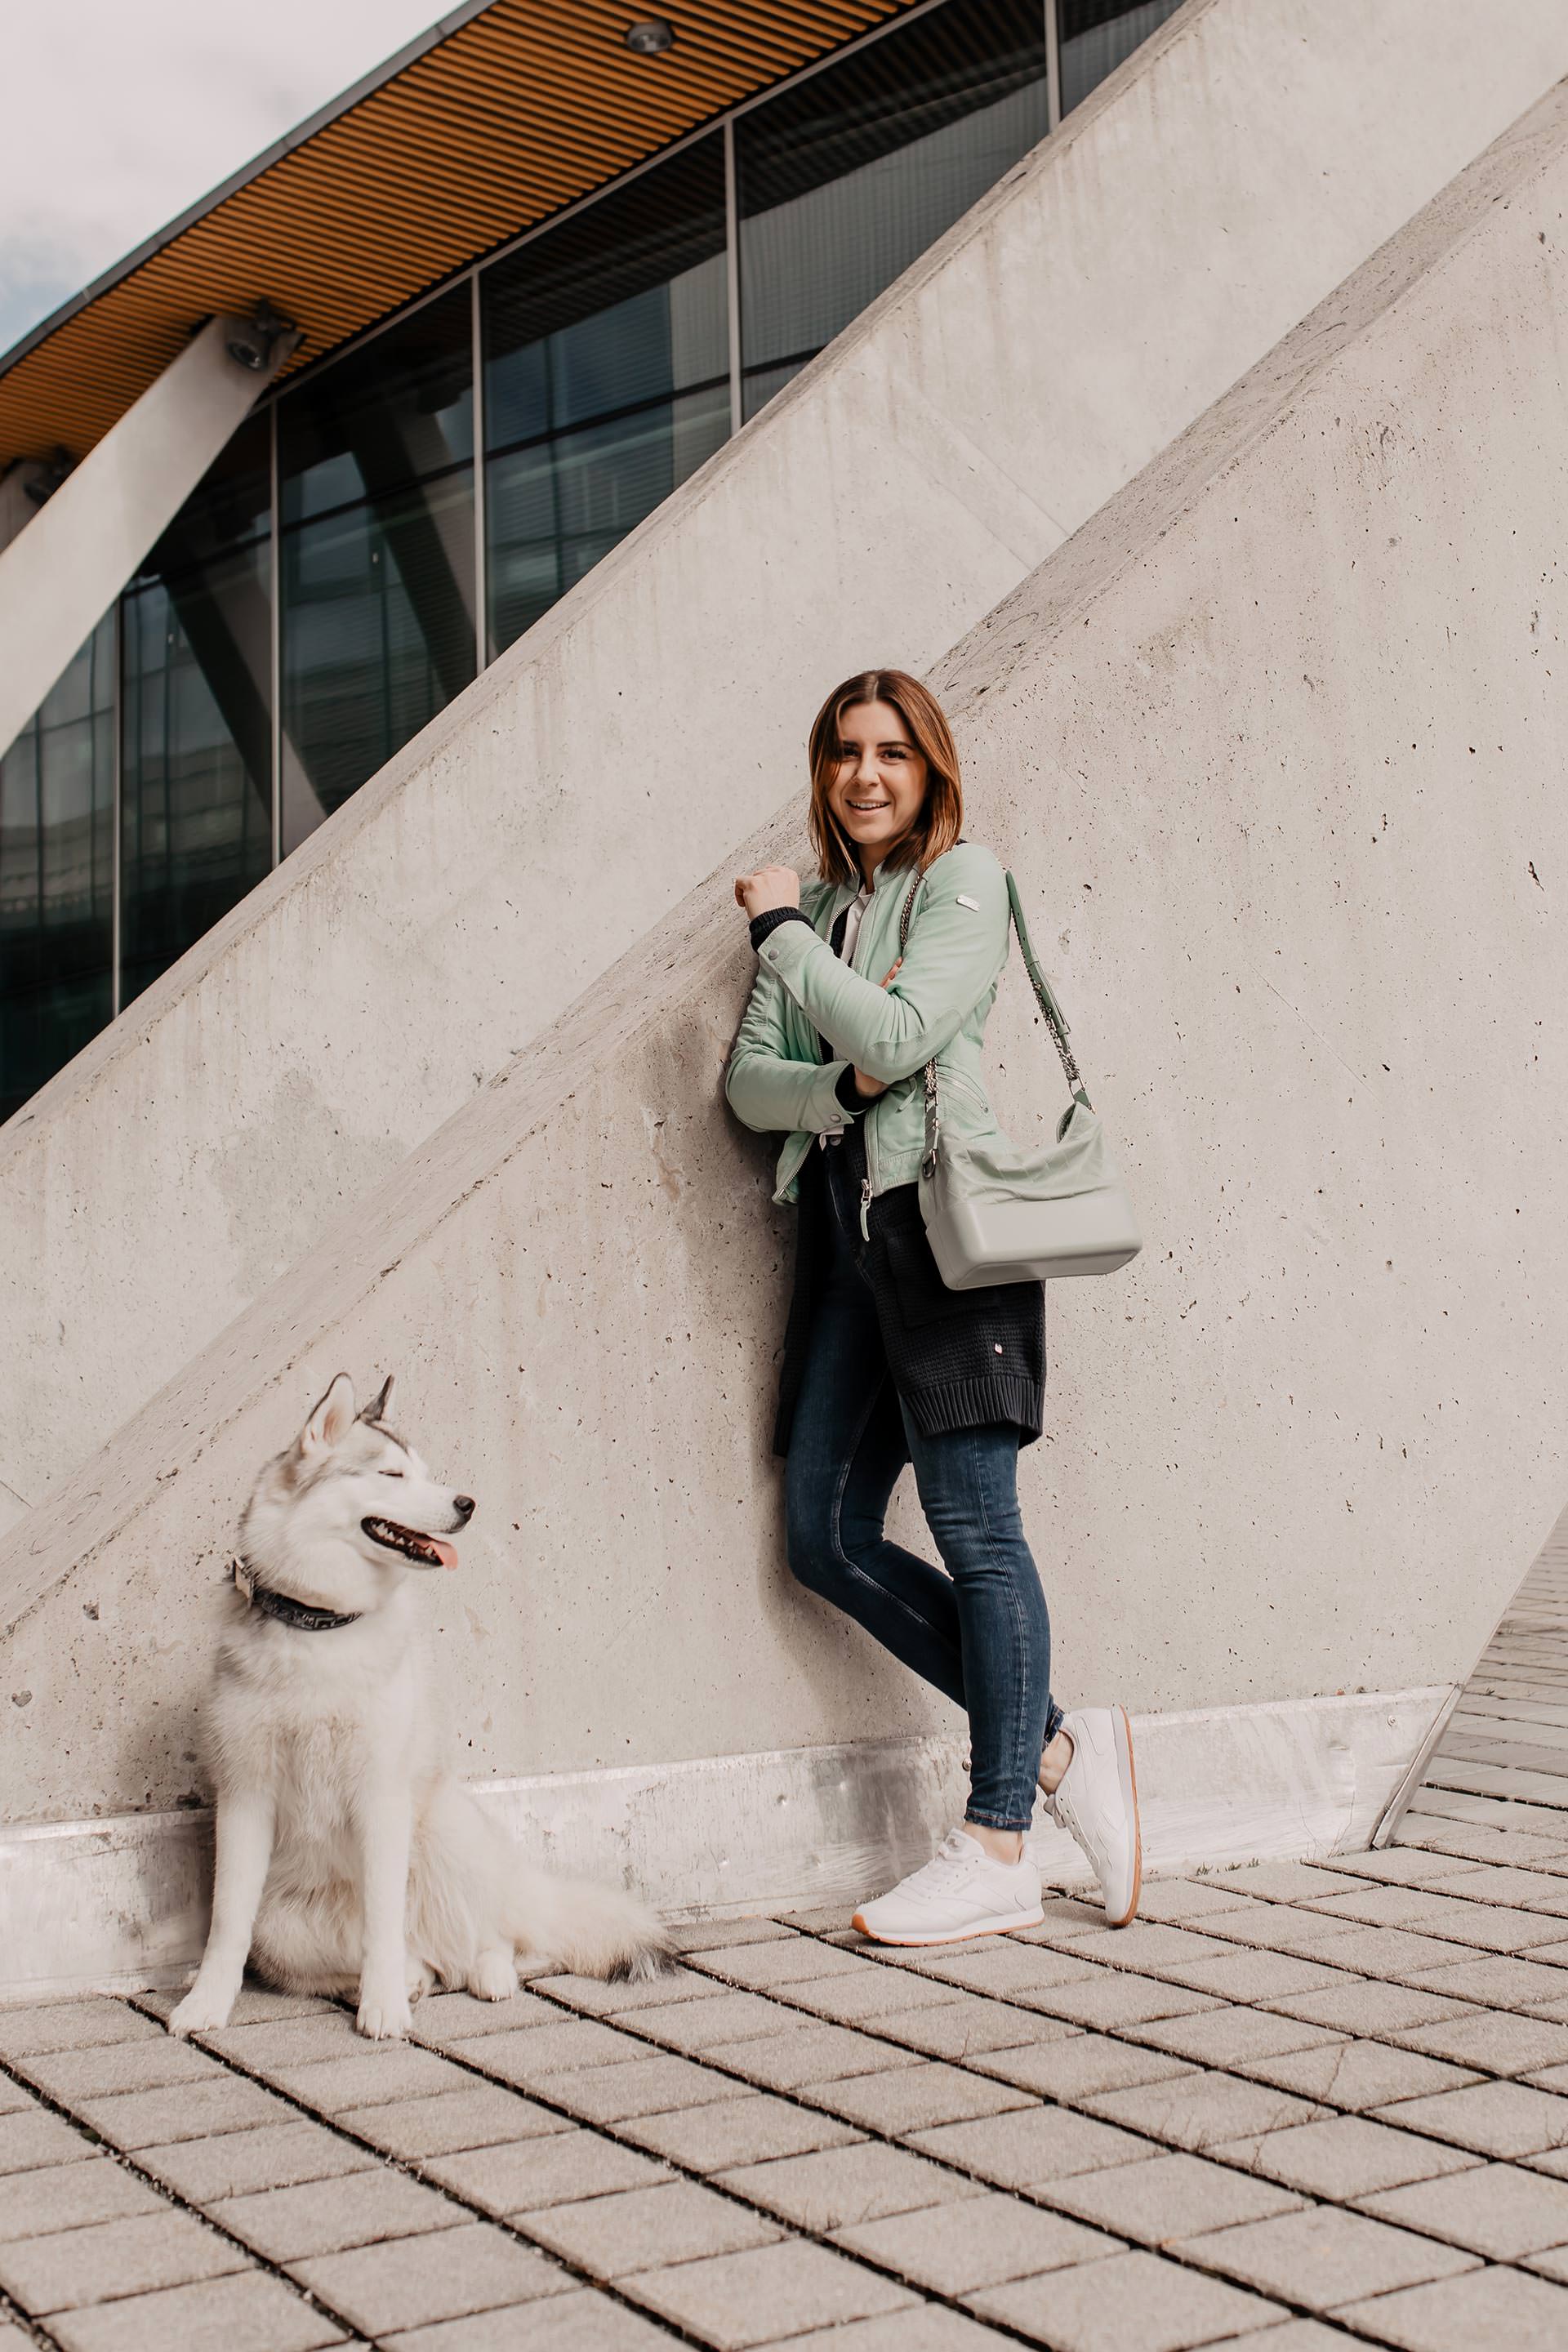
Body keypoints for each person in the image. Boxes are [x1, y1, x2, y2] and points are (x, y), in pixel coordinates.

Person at [726, 668, 1140, 1944]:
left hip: (944, 1241)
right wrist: (834, 1089)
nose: (865, 775)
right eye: (845, 752)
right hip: (848, 1260)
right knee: (822, 1536)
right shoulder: (837, 910)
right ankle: (1063, 1741)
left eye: (891, 753)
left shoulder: (963, 882)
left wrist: (781, 937)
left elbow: (901, 1036)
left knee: (977, 1530)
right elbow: (750, 1086)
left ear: (931, 769)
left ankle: (1001, 1837)